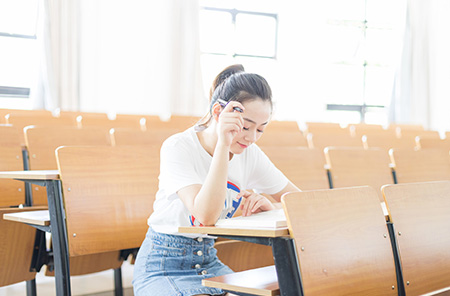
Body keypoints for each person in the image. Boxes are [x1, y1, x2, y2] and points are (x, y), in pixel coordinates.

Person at [133, 64, 300, 296]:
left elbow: (301, 203)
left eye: (261, 130)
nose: (252, 138)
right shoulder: (178, 147)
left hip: (209, 262)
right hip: (163, 265)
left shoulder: (249, 153)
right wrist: (223, 143)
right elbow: (206, 216)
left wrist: (271, 207)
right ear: (219, 113)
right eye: (245, 126)